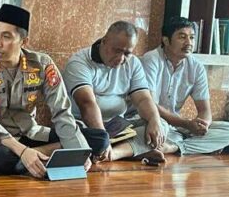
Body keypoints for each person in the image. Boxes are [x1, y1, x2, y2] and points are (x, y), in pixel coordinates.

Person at [0, 4, 108, 178]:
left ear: (24, 42)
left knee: (100, 139)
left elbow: (61, 111)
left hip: (30, 133)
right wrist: (23, 151)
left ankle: (34, 157)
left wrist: (78, 150)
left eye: (6, 36)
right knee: (4, 159)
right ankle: (39, 155)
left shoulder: (43, 65)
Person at [63, 21, 170, 165]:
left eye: (127, 53)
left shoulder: (133, 64)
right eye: (116, 51)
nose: (121, 58)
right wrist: (102, 137)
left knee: (161, 125)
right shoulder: (79, 63)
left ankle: (113, 154)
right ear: (104, 41)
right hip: (86, 125)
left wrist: (154, 120)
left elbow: (143, 99)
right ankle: (129, 150)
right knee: (75, 136)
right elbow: (87, 104)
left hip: (117, 126)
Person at [138, 17, 229, 155]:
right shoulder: (151, 59)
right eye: (182, 37)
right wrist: (186, 124)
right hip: (151, 119)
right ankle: (183, 144)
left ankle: (175, 147)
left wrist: (202, 126)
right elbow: (150, 104)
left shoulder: (196, 67)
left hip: (178, 125)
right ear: (166, 40)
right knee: (156, 128)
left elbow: (205, 110)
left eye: (192, 37)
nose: (189, 43)